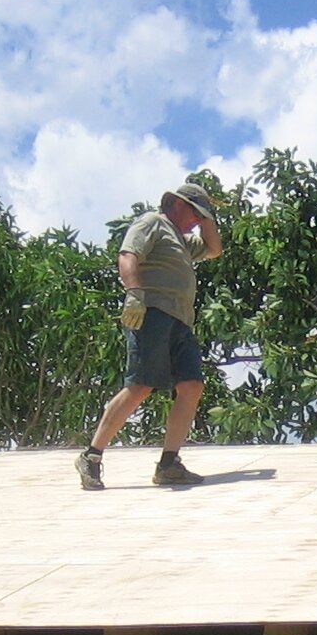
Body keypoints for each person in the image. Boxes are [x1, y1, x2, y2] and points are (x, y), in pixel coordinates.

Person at [76, 182, 223, 490]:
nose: (198, 221)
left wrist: (207, 215)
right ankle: (91, 456)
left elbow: (214, 249)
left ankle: (169, 464)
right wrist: (134, 294)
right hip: (152, 314)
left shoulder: (183, 241)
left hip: (181, 320)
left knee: (191, 386)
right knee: (140, 386)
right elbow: (128, 255)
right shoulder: (152, 222)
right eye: (195, 213)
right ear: (178, 204)